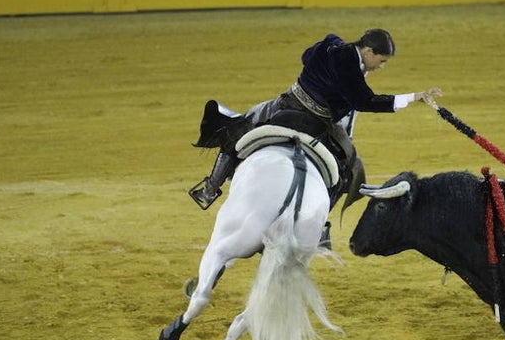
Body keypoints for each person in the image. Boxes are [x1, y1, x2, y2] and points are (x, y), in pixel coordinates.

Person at [189, 28, 441, 211]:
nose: (381, 66)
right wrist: (413, 97)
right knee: (350, 170)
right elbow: (364, 102)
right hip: (319, 122)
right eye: (381, 60)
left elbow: (306, 56)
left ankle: (210, 189)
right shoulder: (350, 70)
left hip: (286, 102)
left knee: (240, 126)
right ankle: (322, 222)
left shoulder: (331, 42)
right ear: (368, 51)